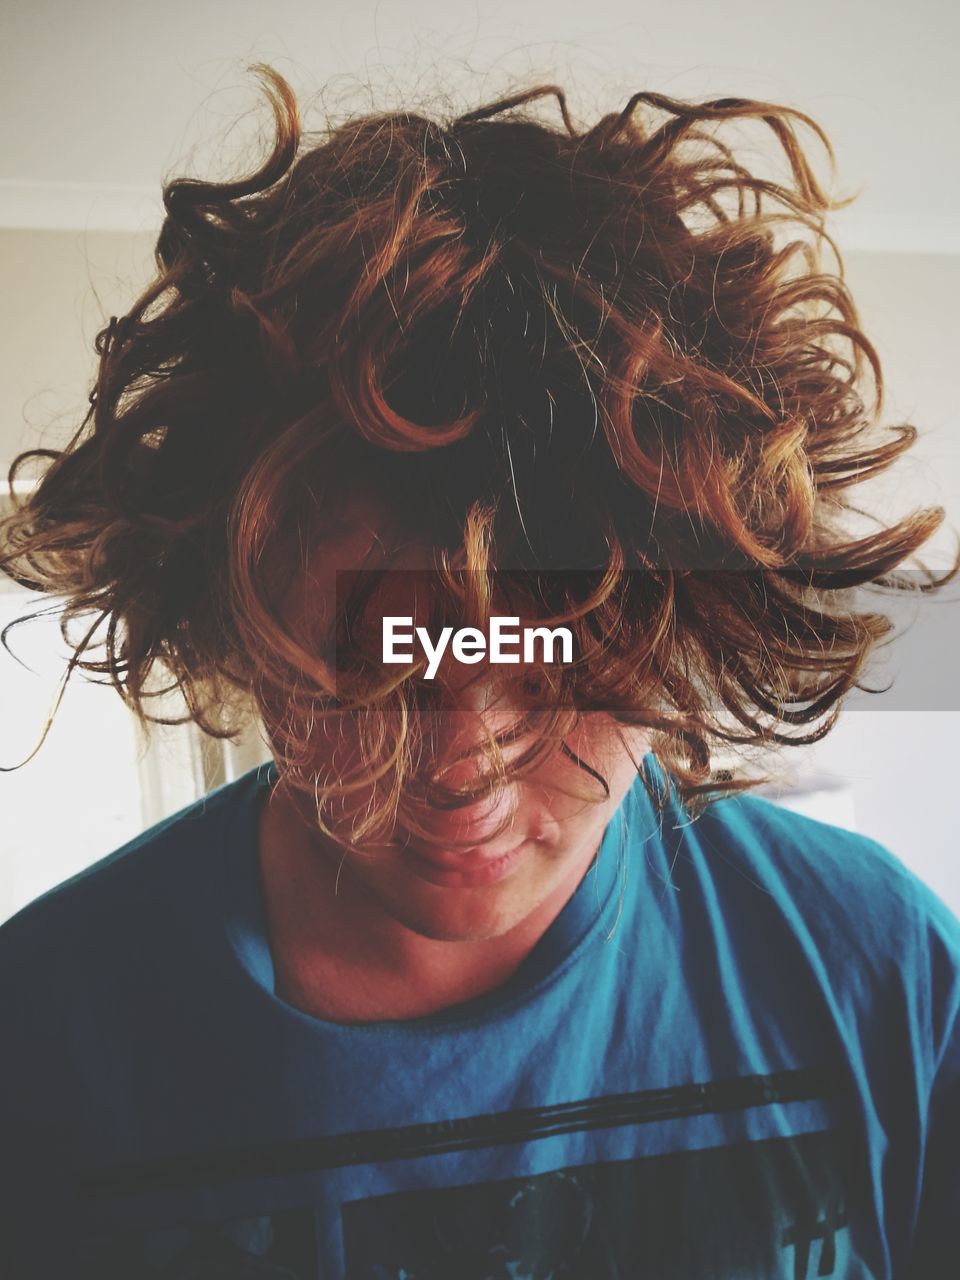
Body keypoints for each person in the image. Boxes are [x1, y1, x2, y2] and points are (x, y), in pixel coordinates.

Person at [1, 64, 958, 1279]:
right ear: (237, 631)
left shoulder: (874, 968)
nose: (465, 773)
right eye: (368, 668)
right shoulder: (39, 1047)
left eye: (568, 652)